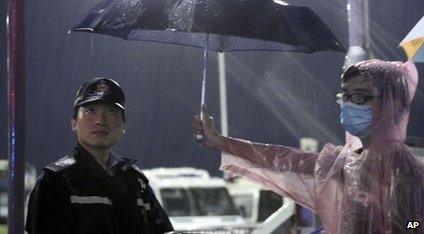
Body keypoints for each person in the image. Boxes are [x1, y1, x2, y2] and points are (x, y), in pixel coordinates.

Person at [193, 59, 424, 233]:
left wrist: (410, 226)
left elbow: (415, 223)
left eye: (360, 97)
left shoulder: (409, 175)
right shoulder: (348, 163)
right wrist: (221, 142)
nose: (348, 105)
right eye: (345, 96)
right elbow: (283, 159)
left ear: (391, 104)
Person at [26, 77, 174, 234]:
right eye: (91, 111)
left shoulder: (135, 182)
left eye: (111, 111)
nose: (101, 120)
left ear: (124, 125)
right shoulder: (55, 182)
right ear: (74, 122)